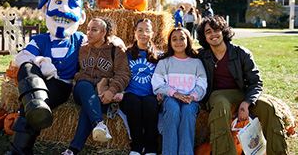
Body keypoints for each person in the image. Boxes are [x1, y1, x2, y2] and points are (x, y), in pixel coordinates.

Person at [5, 0, 87, 155]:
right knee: (26, 67)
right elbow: (22, 58)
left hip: (60, 85)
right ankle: (36, 105)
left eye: (72, 5)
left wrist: (114, 41)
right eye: (58, 2)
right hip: (39, 81)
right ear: (45, 10)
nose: (64, 9)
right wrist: (42, 61)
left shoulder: (79, 39)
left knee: (30, 106)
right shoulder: (40, 40)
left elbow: (99, 47)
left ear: (82, 17)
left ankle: (18, 151)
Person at [196, 15, 288, 155]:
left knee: (269, 108)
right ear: (204, 36)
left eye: (216, 30)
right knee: (221, 107)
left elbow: (255, 82)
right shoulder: (201, 56)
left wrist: (246, 102)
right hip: (218, 95)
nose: (213, 34)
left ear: (223, 31)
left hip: (242, 93)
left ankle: (278, 152)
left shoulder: (241, 53)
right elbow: (180, 57)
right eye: (208, 32)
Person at [62, 17, 131, 155]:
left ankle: (72, 150)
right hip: (82, 90)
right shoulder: (82, 50)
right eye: (88, 29)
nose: (89, 32)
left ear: (104, 32)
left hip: (102, 93)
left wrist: (111, 91)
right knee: (84, 86)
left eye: (94, 30)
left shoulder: (116, 51)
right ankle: (99, 123)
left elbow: (124, 75)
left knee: (90, 106)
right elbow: (71, 69)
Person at [151, 27, 207, 155]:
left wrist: (193, 96)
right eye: (174, 39)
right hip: (170, 98)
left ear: (188, 40)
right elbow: (157, 84)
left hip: (190, 100)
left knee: (187, 112)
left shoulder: (196, 63)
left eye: (182, 38)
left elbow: (202, 84)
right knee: (173, 109)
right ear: (170, 43)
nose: (178, 42)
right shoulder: (165, 62)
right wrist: (174, 93)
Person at [119, 18, 161, 155]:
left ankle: (150, 147)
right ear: (135, 32)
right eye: (140, 30)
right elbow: (118, 74)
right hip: (130, 93)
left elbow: (164, 77)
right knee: (134, 104)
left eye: (147, 30)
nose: (144, 33)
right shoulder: (126, 53)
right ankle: (136, 146)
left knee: (150, 105)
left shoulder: (158, 56)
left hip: (150, 94)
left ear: (152, 34)